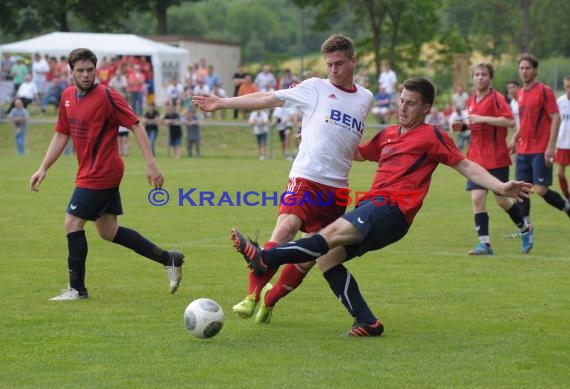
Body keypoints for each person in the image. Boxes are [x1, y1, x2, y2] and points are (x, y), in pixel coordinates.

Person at [230, 77, 532, 336]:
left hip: (391, 210)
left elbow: (464, 165)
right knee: (328, 258)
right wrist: (313, 133)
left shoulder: (432, 135)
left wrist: (500, 186)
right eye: (401, 101)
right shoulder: (388, 134)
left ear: (425, 108)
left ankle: (265, 256)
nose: (403, 107)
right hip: (375, 207)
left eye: (411, 103)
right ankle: (367, 321)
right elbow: (357, 153)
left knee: (330, 233)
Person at [193, 34, 373, 324]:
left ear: (353, 61)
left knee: (308, 259)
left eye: (339, 63)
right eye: (329, 64)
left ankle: (269, 298)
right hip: (306, 177)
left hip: (337, 187)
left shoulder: (365, 97)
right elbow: (267, 98)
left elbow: (347, 140)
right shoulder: (314, 87)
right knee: (286, 228)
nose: (334, 70)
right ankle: (251, 296)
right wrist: (222, 102)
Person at [29, 48, 184, 301]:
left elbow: (135, 125)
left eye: (90, 69)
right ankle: (169, 259)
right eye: (80, 70)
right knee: (108, 231)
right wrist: (43, 167)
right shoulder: (67, 97)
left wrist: (150, 163)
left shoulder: (108, 96)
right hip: (89, 171)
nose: (86, 75)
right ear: (72, 72)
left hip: (102, 172)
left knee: (71, 223)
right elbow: (61, 134)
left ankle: (77, 290)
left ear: (96, 69)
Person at [450, 62, 531, 255]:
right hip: (475, 159)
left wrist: (482, 118)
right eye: (477, 74)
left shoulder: (497, 99)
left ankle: (525, 229)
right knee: (477, 198)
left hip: (496, 158)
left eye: (483, 74)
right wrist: (462, 127)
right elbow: (475, 125)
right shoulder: (472, 99)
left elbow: (510, 121)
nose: (480, 77)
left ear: (490, 78)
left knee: (502, 201)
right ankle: (484, 244)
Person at [508, 53, 570, 233]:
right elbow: (525, 122)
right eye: (521, 68)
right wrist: (514, 138)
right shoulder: (519, 93)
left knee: (542, 190)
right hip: (523, 149)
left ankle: (567, 207)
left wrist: (551, 147)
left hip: (540, 149)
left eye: (527, 68)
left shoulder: (545, 91)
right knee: (521, 189)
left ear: (535, 70)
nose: (524, 71)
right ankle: (526, 227)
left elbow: (555, 118)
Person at [555, 75, 570, 200]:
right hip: (562, 144)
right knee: (560, 173)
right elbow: (555, 122)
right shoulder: (560, 102)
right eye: (567, 87)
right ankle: (568, 198)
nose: (569, 89)